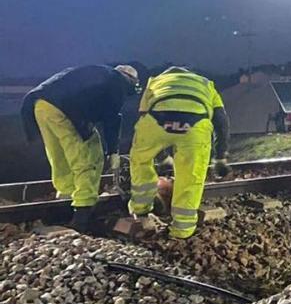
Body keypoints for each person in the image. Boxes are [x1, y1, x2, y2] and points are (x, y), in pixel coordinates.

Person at [20, 65, 139, 229]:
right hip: (66, 110)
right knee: (88, 153)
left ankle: (65, 198)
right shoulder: (117, 82)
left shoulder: (100, 73)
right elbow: (111, 119)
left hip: (40, 105)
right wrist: (113, 152)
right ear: (130, 81)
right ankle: (83, 211)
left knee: (59, 155)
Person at [127, 67, 230, 240]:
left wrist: (161, 156)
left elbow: (143, 116)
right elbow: (221, 121)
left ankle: (141, 208)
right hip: (196, 125)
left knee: (141, 161)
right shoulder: (206, 84)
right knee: (190, 176)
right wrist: (220, 157)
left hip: (156, 120)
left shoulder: (155, 82)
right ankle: (182, 230)